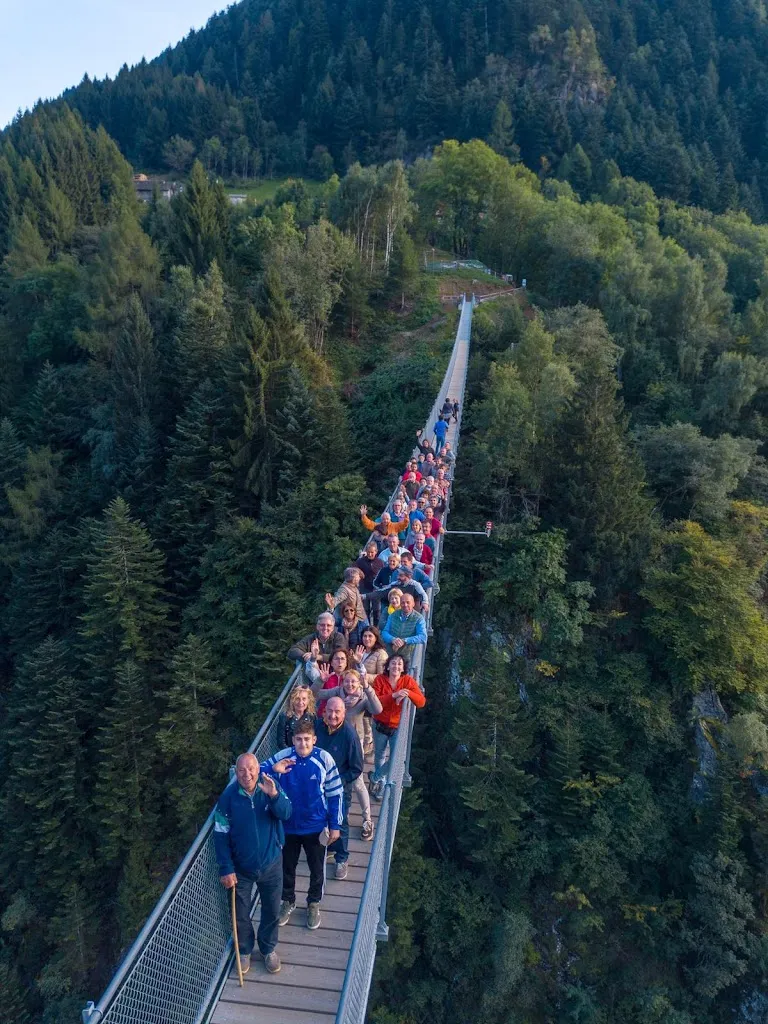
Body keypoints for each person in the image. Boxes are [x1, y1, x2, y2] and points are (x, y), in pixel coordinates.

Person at [214, 752, 292, 975]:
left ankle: (268, 949)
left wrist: (275, 795)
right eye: (241, 770)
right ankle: (245, 950)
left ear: (258, 770)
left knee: (272, 908)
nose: (247, 774)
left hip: (271, 862)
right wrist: (226, 868)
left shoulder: (269, 786)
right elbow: (220, 834)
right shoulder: (228, 798)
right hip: (242, 869)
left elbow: (287, 813)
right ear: (236, 772)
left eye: (251, 769)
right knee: (240, 912)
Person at [263, 724, 342, 932]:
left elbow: (336, 794)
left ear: (314, 740)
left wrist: (335, 825)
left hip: (316, 826)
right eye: (298, 739)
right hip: (288, 826)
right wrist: (274, 769)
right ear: (293, 740)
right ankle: (288, 901)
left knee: (317, 868)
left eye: (307, 739)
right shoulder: (284, 756)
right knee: (286, 867)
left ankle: (314, 903)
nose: (303, 743)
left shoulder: (323, 759)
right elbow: (257, 771)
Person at [317, 672, 381, 840]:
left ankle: (367, 819)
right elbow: (315, 693)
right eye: (347, 681)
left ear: (359, 683)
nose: (350, 685)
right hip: (335, 738)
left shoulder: (362, 698)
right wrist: (320, 680)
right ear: (342, 682)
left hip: (354, 741)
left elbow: (378, 709)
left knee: (358, 782)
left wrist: (367, 688)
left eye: (354, 681)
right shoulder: (337, 692)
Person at [315, 695, 364, 873]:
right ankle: (325, 847)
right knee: (319, 817)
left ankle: (341, 859)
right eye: (330, 710)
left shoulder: (349, 736)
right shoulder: (317, 727)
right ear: (324, 711)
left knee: (339, 821)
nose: (333, 715)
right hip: (317, 786)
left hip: (340, 788)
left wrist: (337, 781)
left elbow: (357, 768)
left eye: (337, 712)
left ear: (344, 713)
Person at [369, 655, 426, 799]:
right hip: (380, 724)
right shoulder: (380, 680)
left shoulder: (407, 681)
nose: (396, 666)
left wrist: (407, 693)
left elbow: (421, 702)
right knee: (380, 755)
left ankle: (375, 777)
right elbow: (376, 701)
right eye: (393, 663)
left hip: (397, 727)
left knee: (395, 758)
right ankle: (380, 786)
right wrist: (394, 695)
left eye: (399, 664)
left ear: (403, 668)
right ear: (387, 666)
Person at [287, 613, 348, 680]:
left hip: (334, 675)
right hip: (314, 678)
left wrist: (318, 657)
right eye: (322, 625)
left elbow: (341, 655)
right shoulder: (310, 638)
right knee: (304, 662)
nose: (325, 628)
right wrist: (306, 656)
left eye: (329, 625)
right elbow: (292, 651)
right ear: (317, 626)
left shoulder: (338, 637)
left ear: (333, 628)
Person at [381, 591, 427, 661]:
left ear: (413, 604)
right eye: (403, 602)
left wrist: (405, 641)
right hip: (389, 652)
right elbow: (384, 632)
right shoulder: (393, 615)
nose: (405, 605)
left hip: (406, 656)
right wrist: (393, 639)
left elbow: (423, 637)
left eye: (408, 602)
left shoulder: (419, 618)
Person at [309, 648, 350, 715]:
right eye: (336, 659)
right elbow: (312, 693)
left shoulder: (350, 679)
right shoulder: (325, 676)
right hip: (325, 713)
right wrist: (320, 681)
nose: (340, 661)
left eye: (342, 659)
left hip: (345, 714)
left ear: (346, 663)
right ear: (331, 663)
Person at [355, 541, 384, 621]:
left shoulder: (380, 562)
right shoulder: (360, 561)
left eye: (372, 552)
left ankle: (375, 628)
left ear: (376, 552)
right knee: (365, 610)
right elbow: (353, 570)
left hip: (376, 588)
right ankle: (366, 627)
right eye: (368, 552)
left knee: (376, 610)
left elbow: (382, 575)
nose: (370, 554)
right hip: (364, 587)